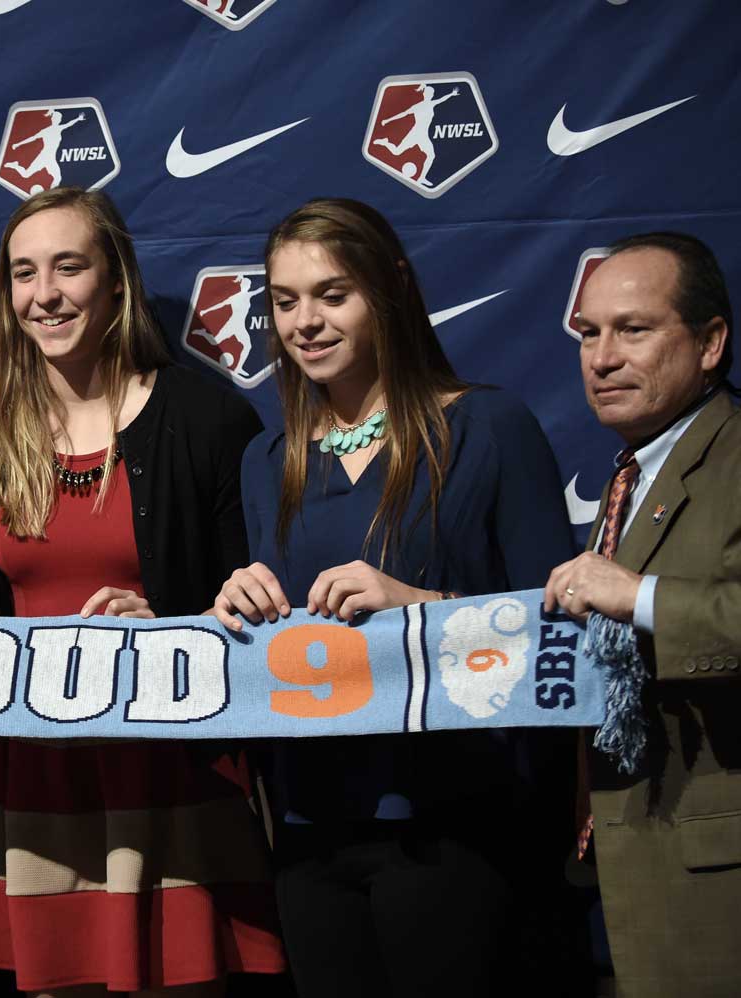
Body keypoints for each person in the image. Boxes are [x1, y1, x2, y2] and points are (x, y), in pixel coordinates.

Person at [210, 198, 576, 998]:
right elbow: (270, 655)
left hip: (457, 824)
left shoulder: (490, 426)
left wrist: (423, 605)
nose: (305, 321)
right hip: (309, 831)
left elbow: (566, 640)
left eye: (332, 294)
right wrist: (234, 614)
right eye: (284, 300)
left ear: (392, 291)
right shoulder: (265, 460)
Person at [0, 186, 283, 998]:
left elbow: (255, 614)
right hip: (32, 780)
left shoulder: (206, 419)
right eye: (23, 274)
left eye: (68, 267)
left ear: (117, 279)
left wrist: (166, 626)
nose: (45, 294)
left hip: (170, 777)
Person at [547, 232, 739, 997]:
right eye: (589, 333)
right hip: (628, 864)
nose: (601, 358)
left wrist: (640, 597)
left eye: (634, 329)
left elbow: (631, 601)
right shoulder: (634, 473)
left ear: (710, 343)